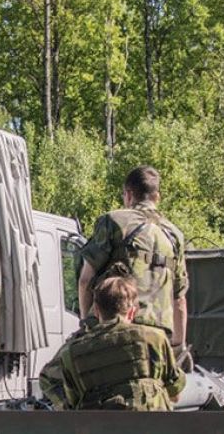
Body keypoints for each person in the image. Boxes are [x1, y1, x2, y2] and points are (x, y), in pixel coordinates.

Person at [77, 166, 189, 359]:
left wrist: (86, 324)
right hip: (158, 339)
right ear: (157, 197)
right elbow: (179, 299)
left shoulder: (113, 222)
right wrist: (178, 346)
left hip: (117, 330)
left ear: (128, 195)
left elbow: (85, 281)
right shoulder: (174, 235)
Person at [40, 276, 185, 410]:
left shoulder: (72, 351)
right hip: (151, 432)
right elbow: (175, 394)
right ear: (133, 311)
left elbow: (65, 395)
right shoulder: (155, 338)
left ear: (96, 310)